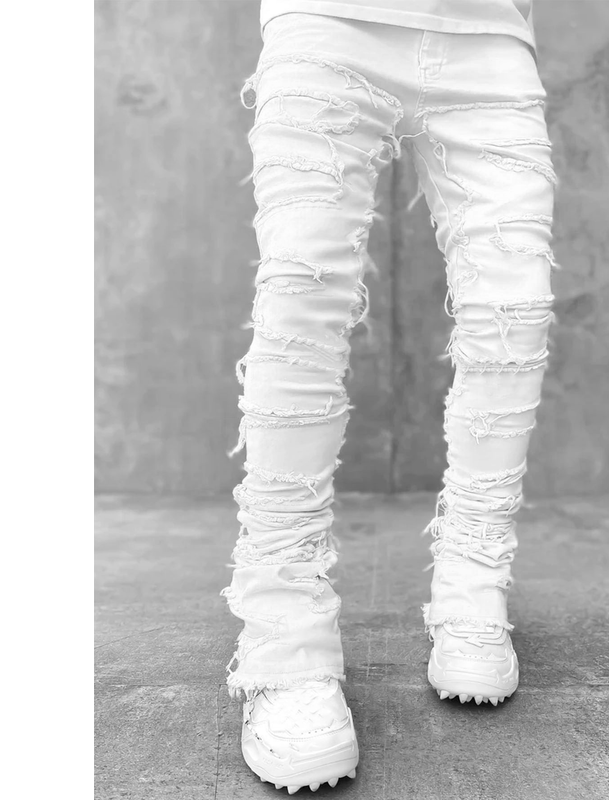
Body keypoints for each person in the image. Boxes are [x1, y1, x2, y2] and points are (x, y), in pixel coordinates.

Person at [222, 1, 556, 792]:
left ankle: (473, 588)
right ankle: (285, 641)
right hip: (329, 17)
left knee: (514, 309)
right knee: (302, 303)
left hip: (489, 29)